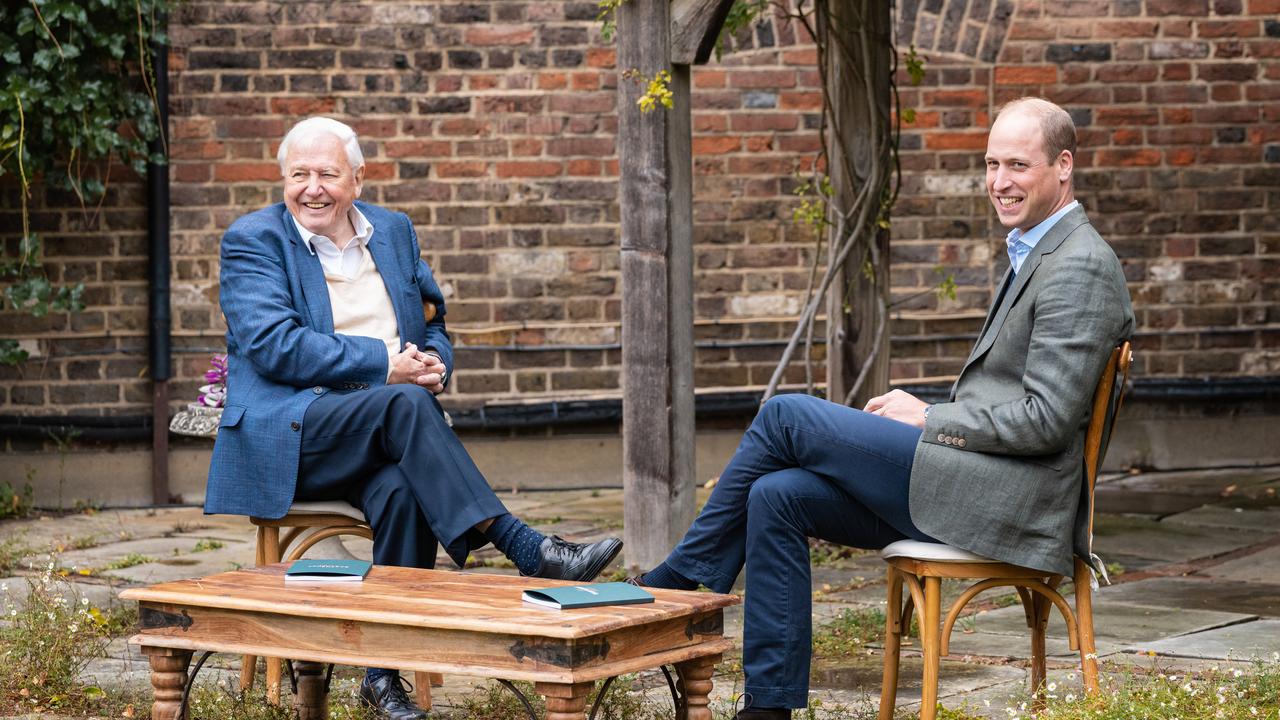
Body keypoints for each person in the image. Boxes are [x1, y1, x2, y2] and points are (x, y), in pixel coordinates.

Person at [629, 97, 1135, 719]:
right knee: (776, 496)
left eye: (1018, 166)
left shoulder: (1079, 264)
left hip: (1008, 504)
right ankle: (768, 709)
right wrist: (933, 414)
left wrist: (930, 417)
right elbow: (1014, 401)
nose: (1000, 182)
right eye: (991, 164)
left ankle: (679, 580)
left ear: (1063, 166)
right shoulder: (1039, 249)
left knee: (787, 417)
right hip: (972, 483)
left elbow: (1046, 419)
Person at [206, 117, 622, 720]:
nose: (312, 188)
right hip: (296, 434)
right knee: (403, 402)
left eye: (327, 174)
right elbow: (275, 346)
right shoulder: (255, 240)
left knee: (403, 487)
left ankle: (381, 677)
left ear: (358, 178)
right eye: (299, 175)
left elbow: (432, 321)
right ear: (283, 179)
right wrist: (386, 365)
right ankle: (525, 548)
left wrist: (432, 363)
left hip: (382, 433)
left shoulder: (393, 232)